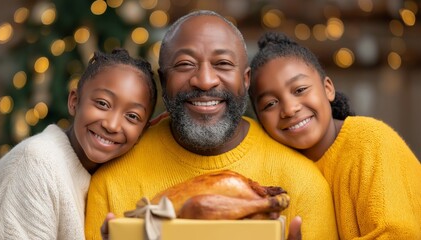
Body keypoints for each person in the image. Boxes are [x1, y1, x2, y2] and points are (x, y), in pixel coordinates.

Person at [85, 11, 339, 240]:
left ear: (246, 79)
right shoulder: (111, 183)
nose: (205, 81)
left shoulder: (302, 184)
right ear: (164, 79)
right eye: (185, 64)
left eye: (223, 64)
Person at [248, 32, 421, 239]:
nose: (289, 109)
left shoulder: (370, 141)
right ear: (260, 120)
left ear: (328, 88)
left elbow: (397, 234)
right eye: (270, 104)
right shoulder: (282, 168)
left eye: (300, 89)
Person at [0, 49, 157, 240]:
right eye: (103, 104)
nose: (112, 125)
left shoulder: (112, 176)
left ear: (142, 132)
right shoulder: (37, 162)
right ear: (74, 101)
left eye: (132, 116)